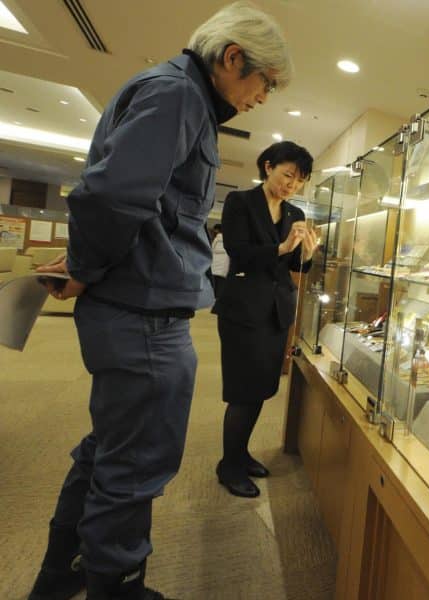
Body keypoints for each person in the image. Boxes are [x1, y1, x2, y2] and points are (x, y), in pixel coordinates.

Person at [30, 3, 291, 599]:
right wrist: (87, 266)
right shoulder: (178, 95)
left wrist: (88, 267)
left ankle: (62, 574)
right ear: (233, 59)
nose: (263, 97)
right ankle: (115, 586)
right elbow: (111, 197)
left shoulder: (179, 94)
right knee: (134, 465)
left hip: (140, 309)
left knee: (110, 450)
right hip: (143, 315)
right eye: (265, 82)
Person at [211, 141, 317, 498]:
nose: (292, 185)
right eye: (288, 175)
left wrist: (306, 256)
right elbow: (239, 253)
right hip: (243, 310)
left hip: (276, 312)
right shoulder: (241, 202)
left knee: (260, 391)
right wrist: (282, 248)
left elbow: (291, 267)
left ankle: (240, 454)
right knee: (243, 392)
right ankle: (229, 466)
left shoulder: (294, 213)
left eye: (299, 181)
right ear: (268, 166)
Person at [210, 224, 229, 299]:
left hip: (214, 266)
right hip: (223, 268)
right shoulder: (228, 240)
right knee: (220, 286)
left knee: (213, 285)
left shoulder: (216, 239)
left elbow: (211, 250)